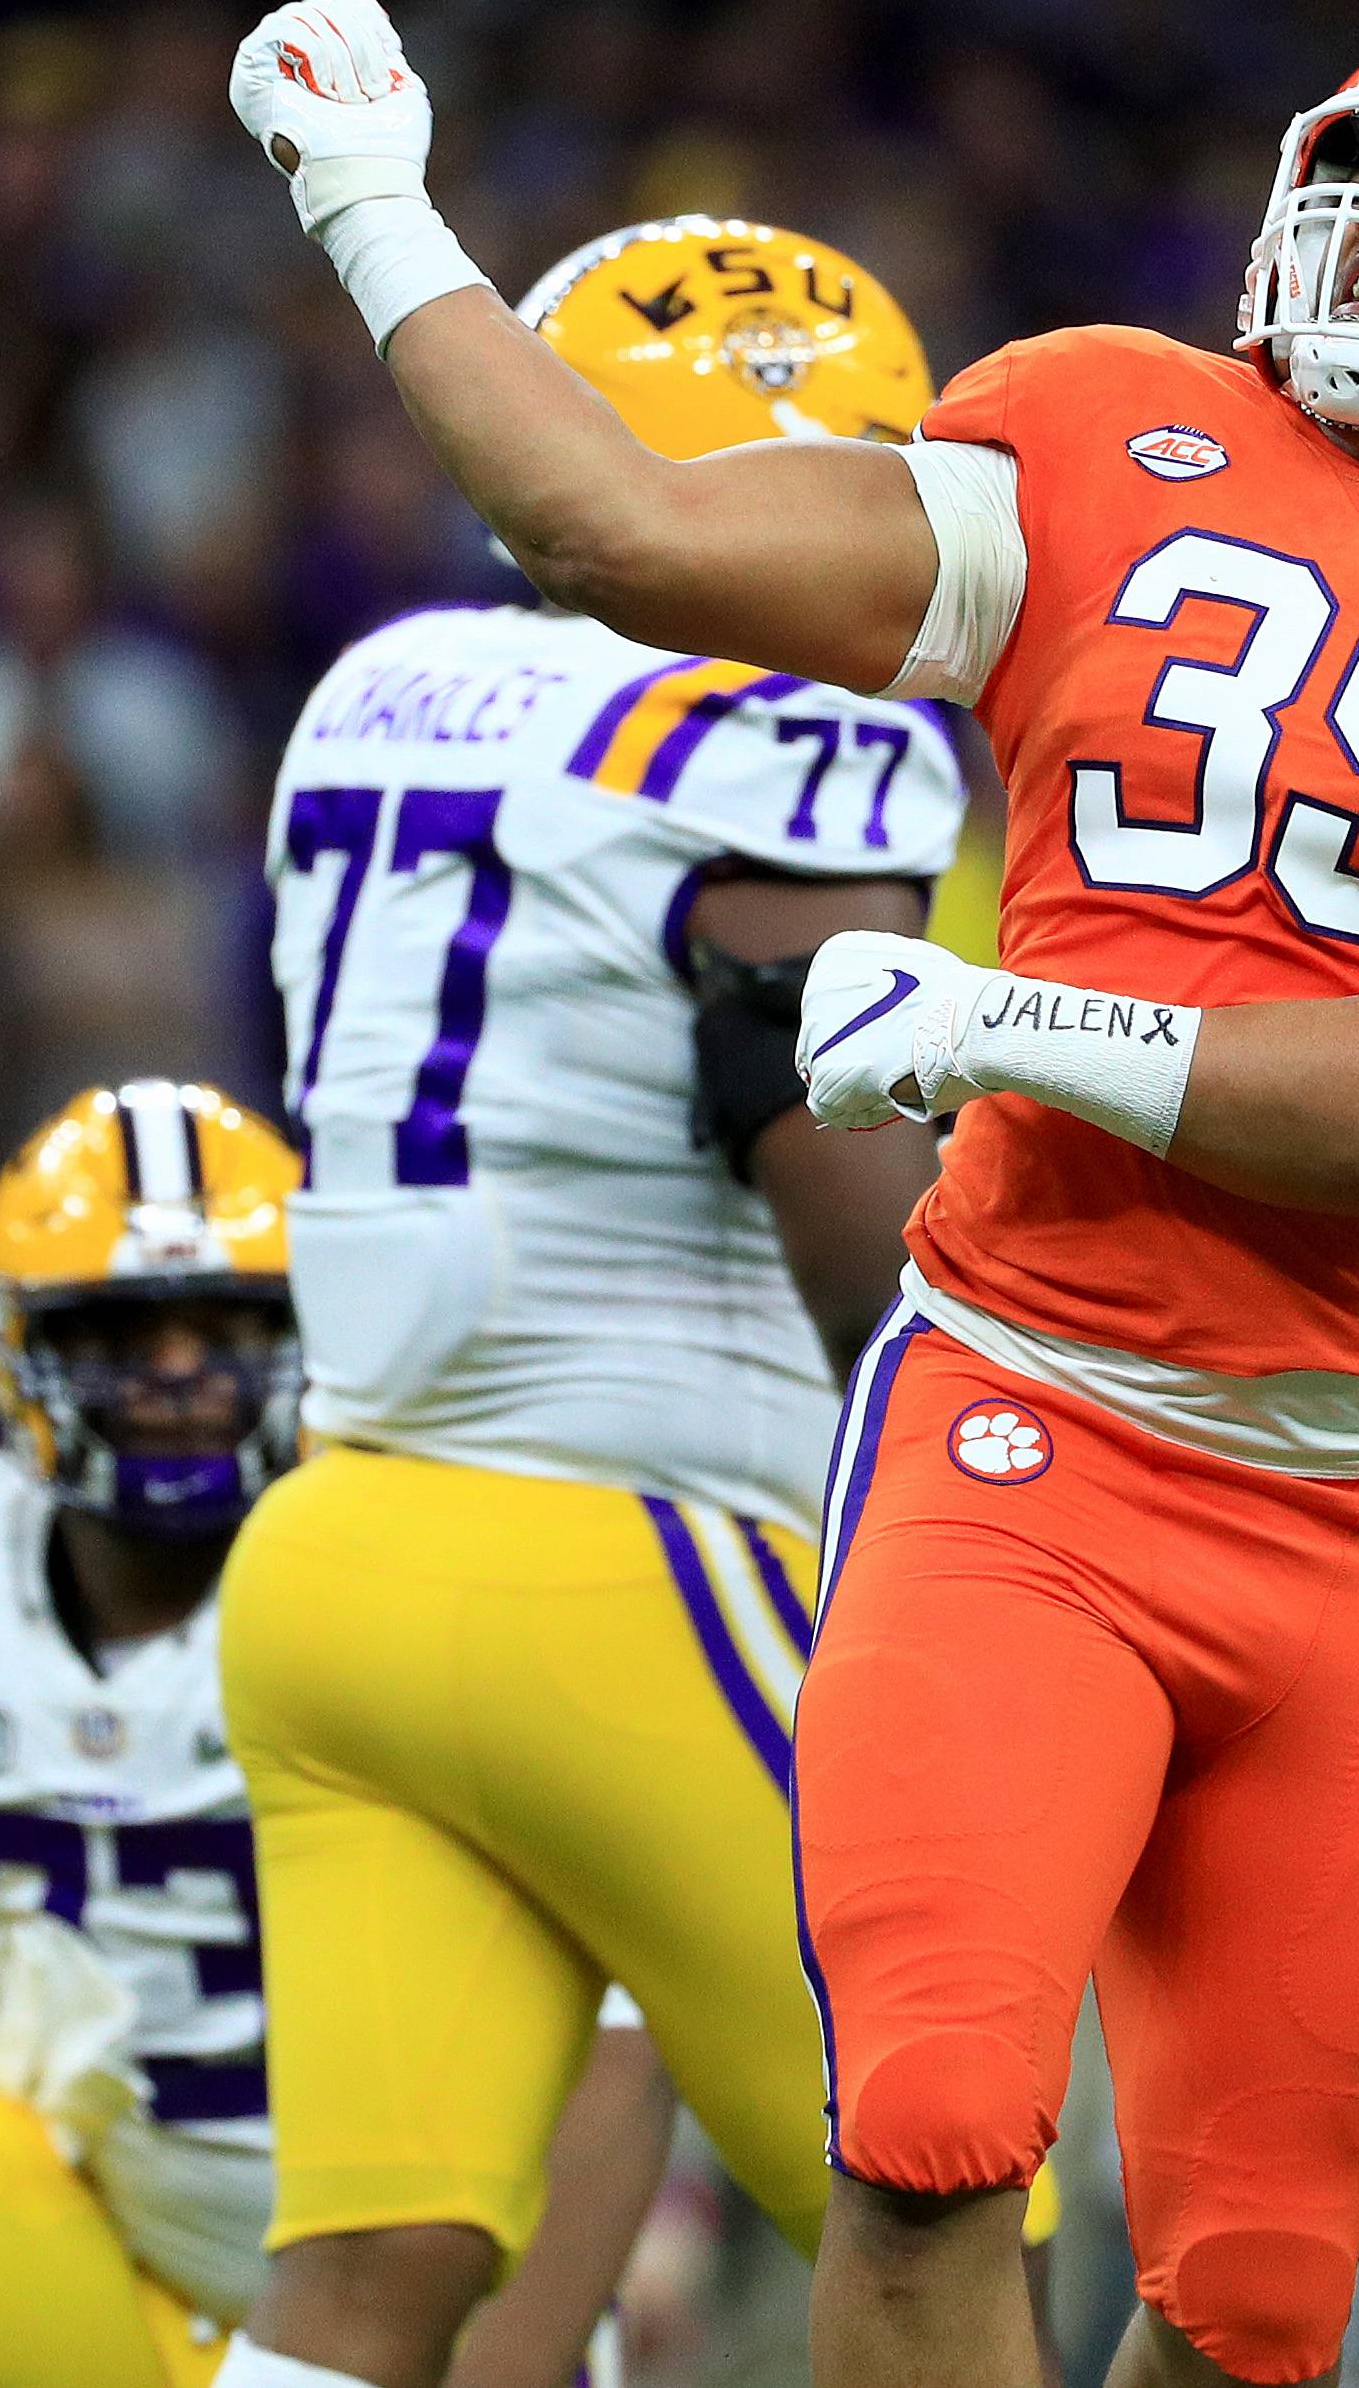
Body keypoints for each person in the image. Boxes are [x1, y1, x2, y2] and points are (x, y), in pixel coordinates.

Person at [228, 0, 1359, 2388]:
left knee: (1252, 2299)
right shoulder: (1100, 425)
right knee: (922, 2140)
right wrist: (371, 195)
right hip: (1033, 1436)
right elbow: (615, 521)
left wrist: (1017, 1017)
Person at [195, 217, 996, 2388]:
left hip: (338, 1552)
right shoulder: (784, 744)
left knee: (367, 2285)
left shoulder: (380, 687)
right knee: (937, 2191)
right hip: (620, 1543)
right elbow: (841, 1191)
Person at [0, 1081, 656, 2388]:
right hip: (122, 2236)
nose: (177, 1374)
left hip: (423, 2299)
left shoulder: (428, 1580)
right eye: (123, 1326)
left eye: (228, 1322)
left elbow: (612, 2055)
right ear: (9, 1346)